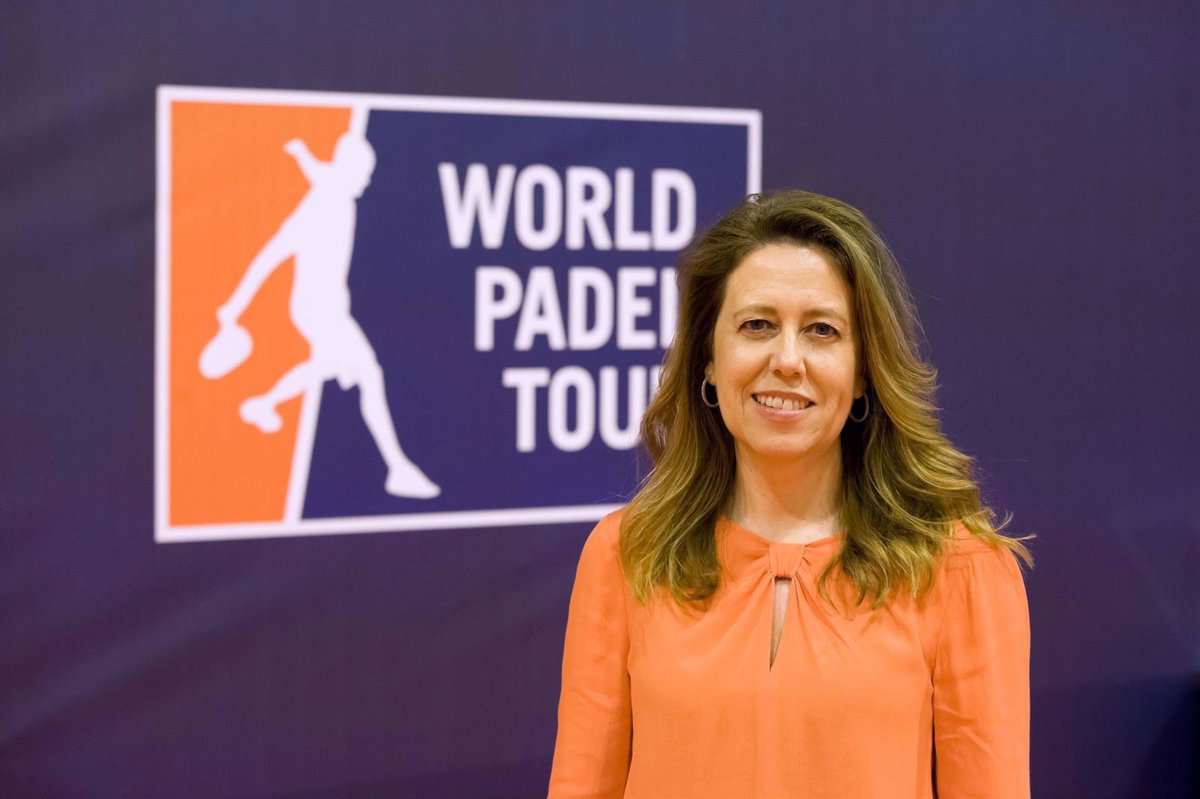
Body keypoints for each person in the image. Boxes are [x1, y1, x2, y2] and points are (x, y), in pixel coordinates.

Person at [548, 191, 1032, 798]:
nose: (787, 360)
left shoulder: (961, 567)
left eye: (822, 330)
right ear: (707, 359)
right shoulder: (627, 552)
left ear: (863, 372)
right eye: (757, 325)